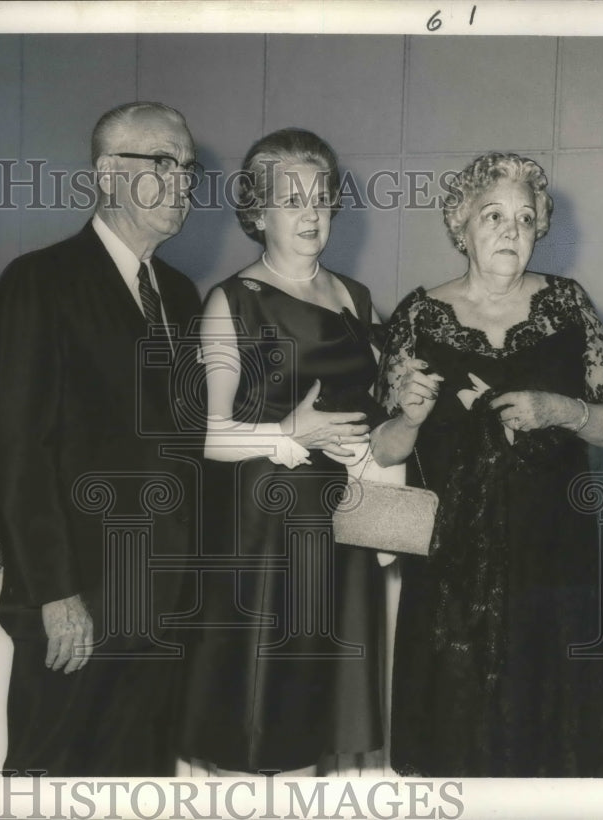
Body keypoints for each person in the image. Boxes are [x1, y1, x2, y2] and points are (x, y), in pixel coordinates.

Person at [371, 152, 603, 777]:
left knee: (548, 734)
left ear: (540, 226)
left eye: (524, 217)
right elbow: (381, 450)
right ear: (460, 225)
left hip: (553, 559)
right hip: (449, 572)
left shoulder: (567, 306)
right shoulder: (418, 315)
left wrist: (563, 409)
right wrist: (409, 418)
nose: (510, 230)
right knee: (455, 737)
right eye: (492, 216)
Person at [0, 102, 206, 776]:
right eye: (162, 163)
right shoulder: (40, 282)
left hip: (161, 606)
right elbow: (18, 451)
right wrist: (55, 595)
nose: (182, 184)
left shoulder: (180, 292)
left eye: (189, 169)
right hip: (76, 609)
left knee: (140, 788)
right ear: (110, 172)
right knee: (49, 782)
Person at [180, 128, 388, 775]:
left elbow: (372, 423)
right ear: (257, 212)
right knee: (264, 724)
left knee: (322, 723)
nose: (310, 213)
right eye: (290, 198)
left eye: (320, 197)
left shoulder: (355, 297)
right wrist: (290, 435)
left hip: (344, 535)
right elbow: (202, 435)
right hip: (264, 539)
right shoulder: (231, 302)